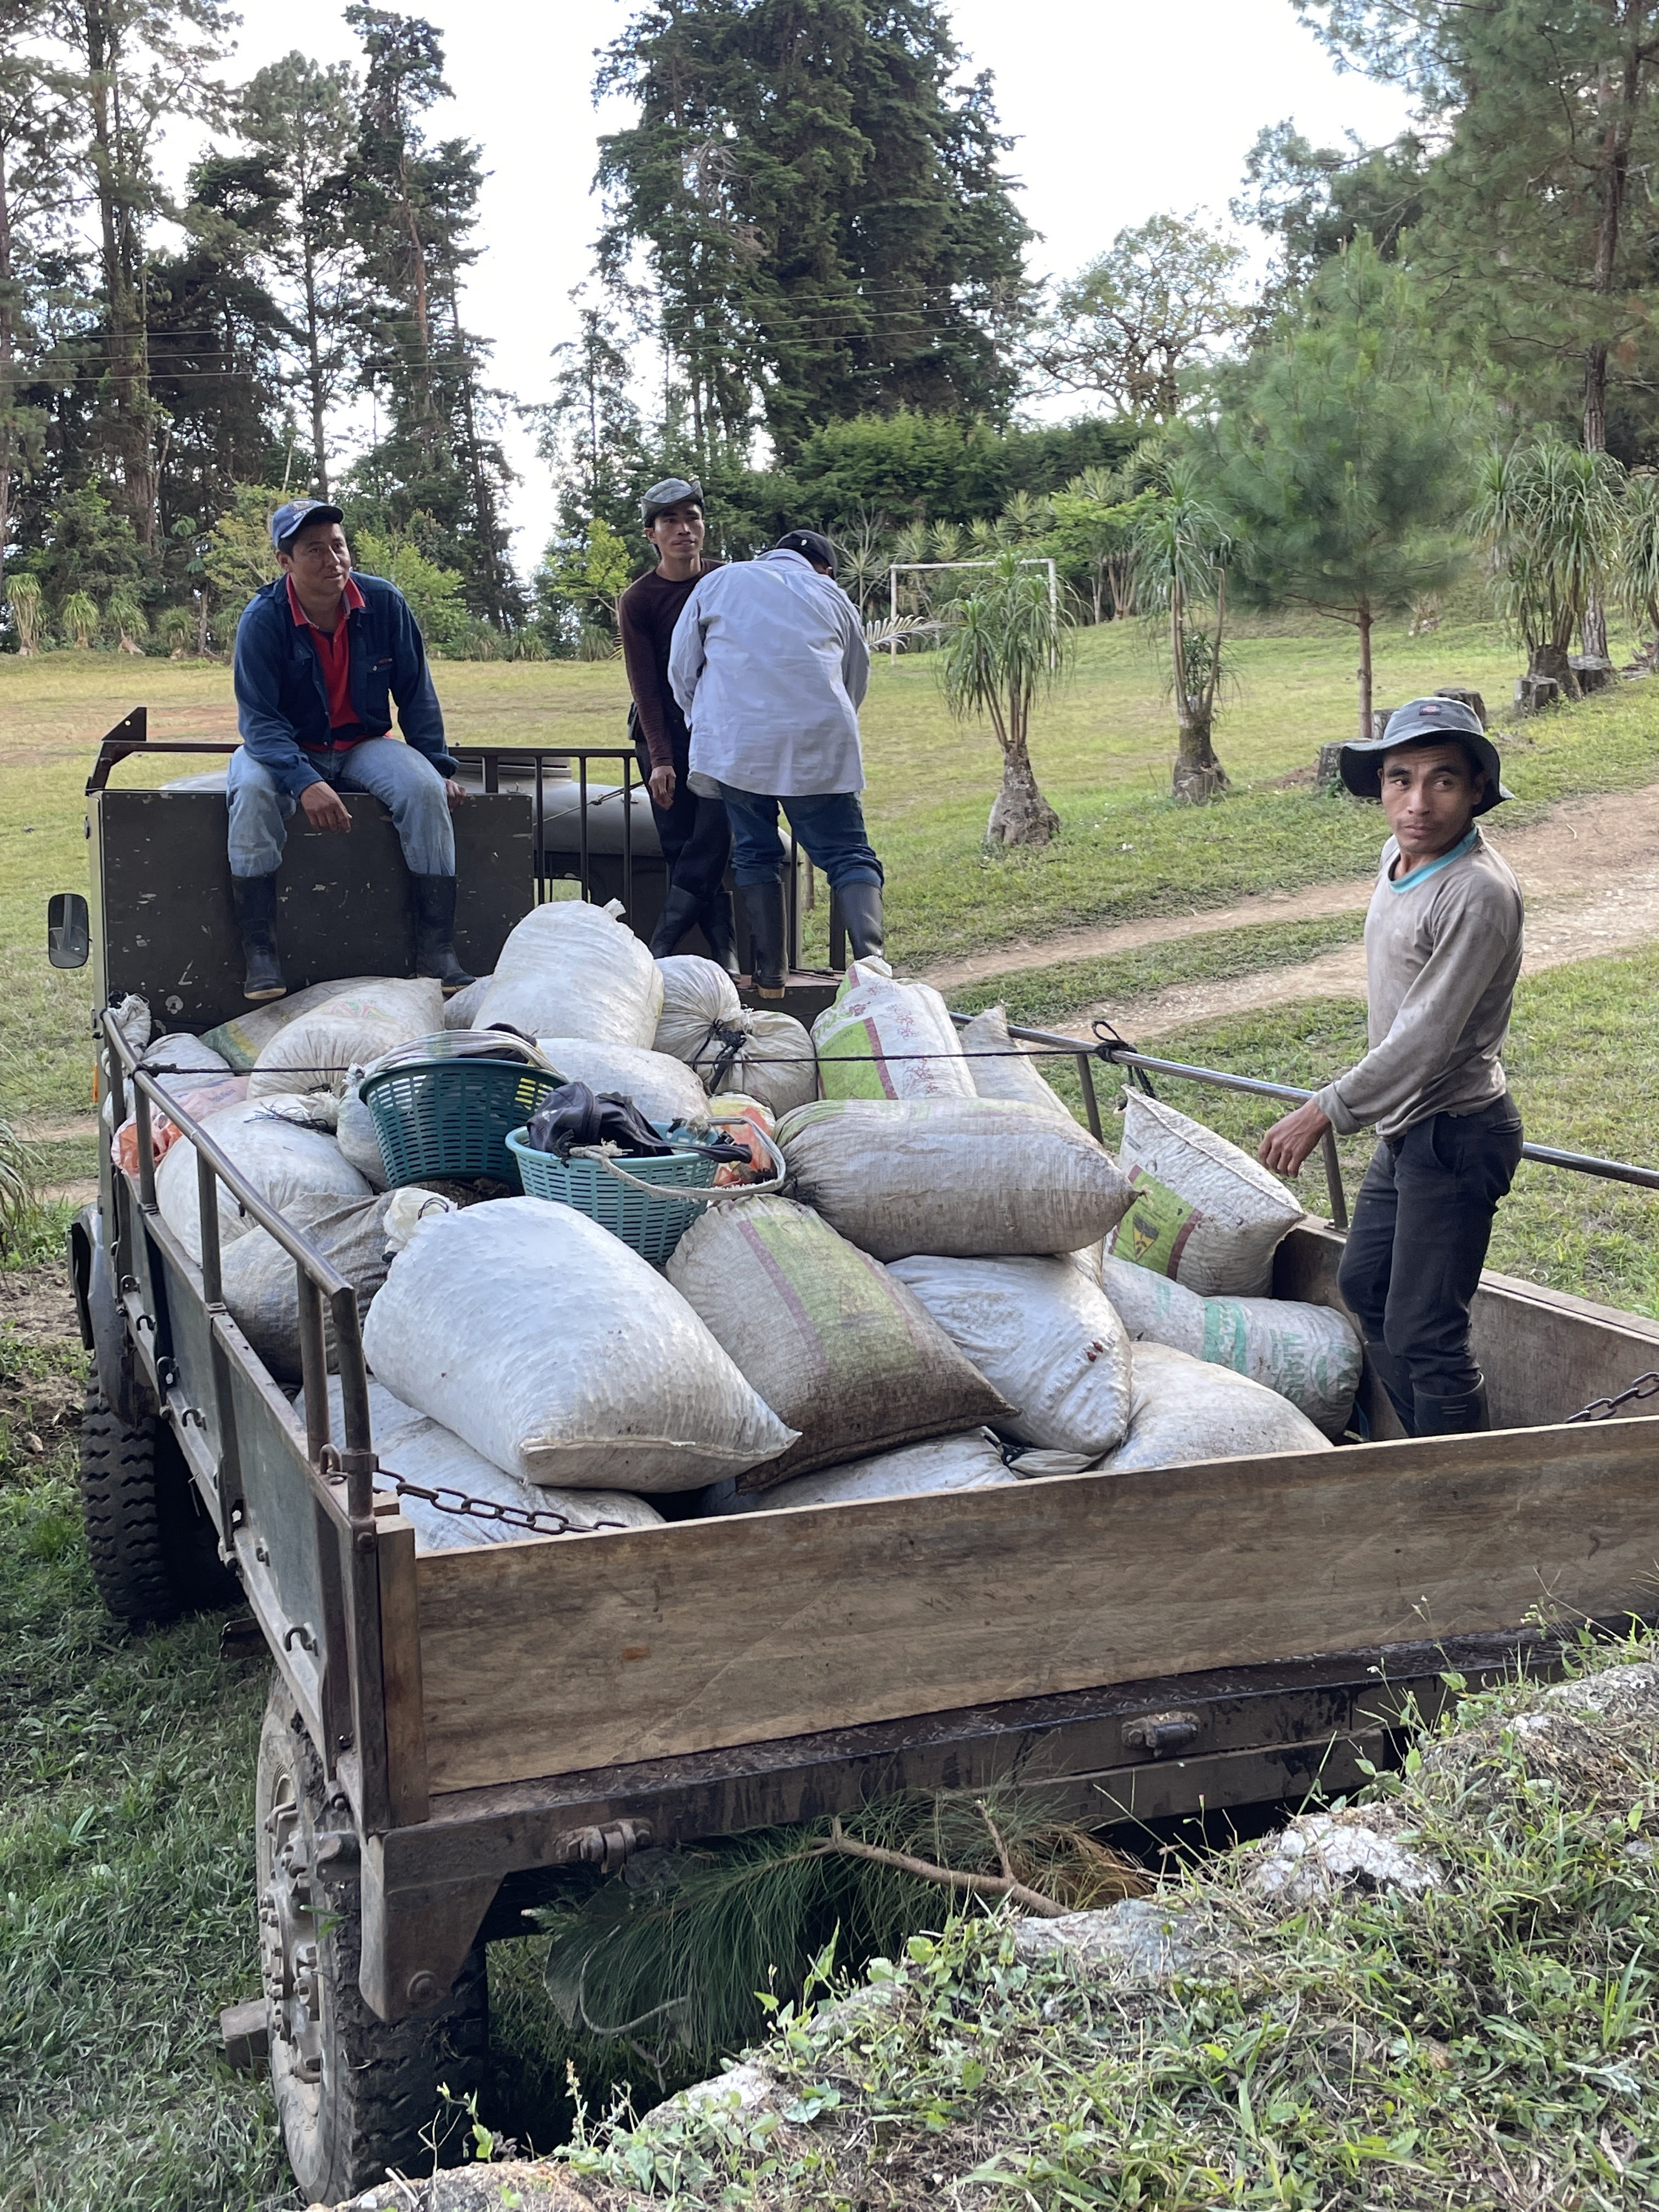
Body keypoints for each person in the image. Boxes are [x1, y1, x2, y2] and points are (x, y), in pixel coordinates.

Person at [1257, 697, 1523, 1438]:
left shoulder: (1477, 892)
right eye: (1399, 779)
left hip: (1458, 1134)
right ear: (1378, 787)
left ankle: (1463, 1495)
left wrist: (1325, 1109)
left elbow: (1427, 1037)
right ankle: (1424, 1452)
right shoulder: (1398, 858)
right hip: (1408, 1129)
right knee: (1366, 1286)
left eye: (1443, 780)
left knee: (1424, 1332)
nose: (1417, 802)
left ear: (1476, 789)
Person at [226, 497, 471, 1002]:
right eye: (313, 550)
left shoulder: (383, 603)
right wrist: (305, 781)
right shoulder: (263, 619)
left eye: (338, 546)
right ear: (284, 562)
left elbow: (416, 694)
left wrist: (438, 765)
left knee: (425, 790)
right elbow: (260, 720)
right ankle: (261, 955)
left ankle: (437, 952)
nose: (332, 560)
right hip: (283, 747)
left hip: (362, 742)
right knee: (250, 793)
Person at [669, 528, 881, 997]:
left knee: (755, 852)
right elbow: (855, 677)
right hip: (817, 738)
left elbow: (682, 667)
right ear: (823, 567)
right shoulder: (830, 592)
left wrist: (702, 718)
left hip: (737, 741)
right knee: (848, 855)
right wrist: (827, 725)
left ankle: (770, 979)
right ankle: (874, 967)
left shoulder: (720, 582)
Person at [617, 478, 736, 972]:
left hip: (725, 733)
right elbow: (644, 685)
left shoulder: (729, 580)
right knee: (680, 844)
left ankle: (663, 945)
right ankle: (718, 953)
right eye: (671, 521)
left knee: (714, 837)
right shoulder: (639, 599)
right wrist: (662, 759)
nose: (684, 529)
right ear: (652, 534)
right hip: (663, 730)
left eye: (692, 518)